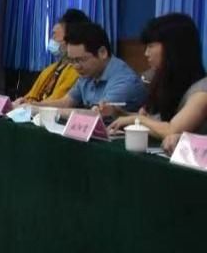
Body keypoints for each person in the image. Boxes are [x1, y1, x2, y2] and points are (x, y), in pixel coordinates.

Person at [106, 13, 207, 151]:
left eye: (151, 46)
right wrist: (122, 115)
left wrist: (137, 119)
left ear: (173, 48)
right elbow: (155, 123)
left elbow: (171, 130)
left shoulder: (202, 91)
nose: (146, 53)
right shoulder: (164, 80)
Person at [36, 22, 146, 113]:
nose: (76, 66)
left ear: (102, 53)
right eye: (72, 61)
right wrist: (33, 106)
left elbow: (96, 114)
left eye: (81, 60)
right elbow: (66, 103)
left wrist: (41, 111)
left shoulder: (124, 81)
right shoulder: (88, 74)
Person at [12, 9, 90, 107]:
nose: (51, 40)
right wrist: (22, 102)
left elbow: (59, 101)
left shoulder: (77, 71)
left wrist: (32, 105)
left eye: (54, 35)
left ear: (70, 39)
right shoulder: (49, 70)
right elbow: (30, 96)